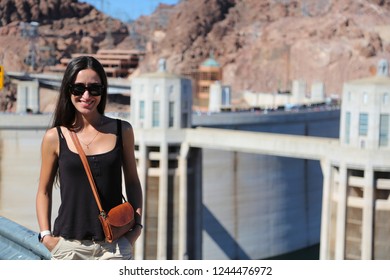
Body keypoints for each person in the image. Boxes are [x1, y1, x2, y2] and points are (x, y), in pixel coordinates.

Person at [36, 56, 143, 260]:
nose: (86, 95)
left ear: (103, 91)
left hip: (114, 248)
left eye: (94, 89)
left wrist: (136, 229)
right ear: (69, 90)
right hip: (69, 247)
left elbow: (132, 181)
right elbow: (43, 190)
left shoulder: (122, 130)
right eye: (79, 88)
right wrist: (46, 236)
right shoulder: (55, 137)